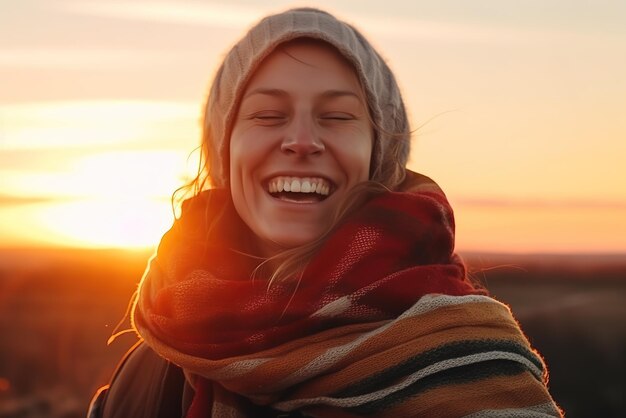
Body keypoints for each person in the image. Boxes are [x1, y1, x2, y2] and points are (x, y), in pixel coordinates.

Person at [88, 7, 563, 418]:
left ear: (379, 154)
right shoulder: (150, 370)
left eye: (336, 117)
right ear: (223, 151)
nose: (301, 141)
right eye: (268, 115)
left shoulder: (467, 366)